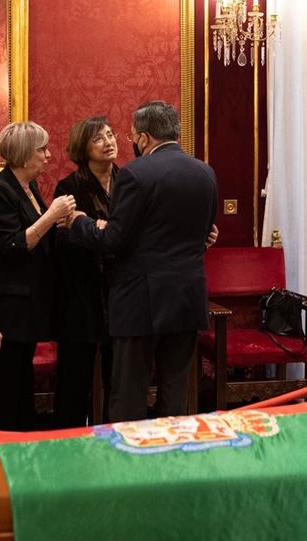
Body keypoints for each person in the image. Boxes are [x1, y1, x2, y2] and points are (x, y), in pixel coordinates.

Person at [68, 101, 217, 422]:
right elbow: (205, 235)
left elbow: (113, 241)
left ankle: (128, 466)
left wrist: (80, 222)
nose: (131, 142)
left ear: (145, 138)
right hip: (188, 297)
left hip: (141, 299)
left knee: (129, 392)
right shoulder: (205, 172)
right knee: (175, 391)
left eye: (133, 136)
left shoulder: (136, 174)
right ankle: (172, 458)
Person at [0, 122, 76, 431]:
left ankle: (23, 442)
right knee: (7, 386)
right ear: (22, 155)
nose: (48, 155)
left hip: (28, 306)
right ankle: (4, 448)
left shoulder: (26, 186)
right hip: (9, 307)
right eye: (41, 150)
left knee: (21, 382)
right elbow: (14, 246)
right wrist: (52, 216)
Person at [51, 116, 120, 427]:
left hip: (120, 292)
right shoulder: (69, 186)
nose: (108, 142)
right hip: (81, 293)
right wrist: (99, 230)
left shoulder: (129, 180)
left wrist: (88, 227)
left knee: (118, 376)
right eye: (98, 139)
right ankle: (69, 440)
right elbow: (62, 238)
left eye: (110, 134)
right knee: (74, 378)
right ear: (83, 148)